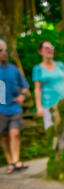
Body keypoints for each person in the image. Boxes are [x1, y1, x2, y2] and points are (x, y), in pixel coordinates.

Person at [0, 39, 29, 174]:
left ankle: (16, 161)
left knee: (15, 133)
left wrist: (22, 96)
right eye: (0, 51)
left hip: (14, 107)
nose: (4, 53)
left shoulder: (13, 69)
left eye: (4, 50)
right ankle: (10, 161)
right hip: (1, 109)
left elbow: (24, 85)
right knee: (5, 136)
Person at [33, 41, 64, 130]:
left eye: (51, 48)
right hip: (48, 105)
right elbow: (37, 89)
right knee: (52, 131)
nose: (50, 50)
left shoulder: (60, 65)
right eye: (46, 48)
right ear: (40, 51)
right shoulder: (38, 69)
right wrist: (39, 107)